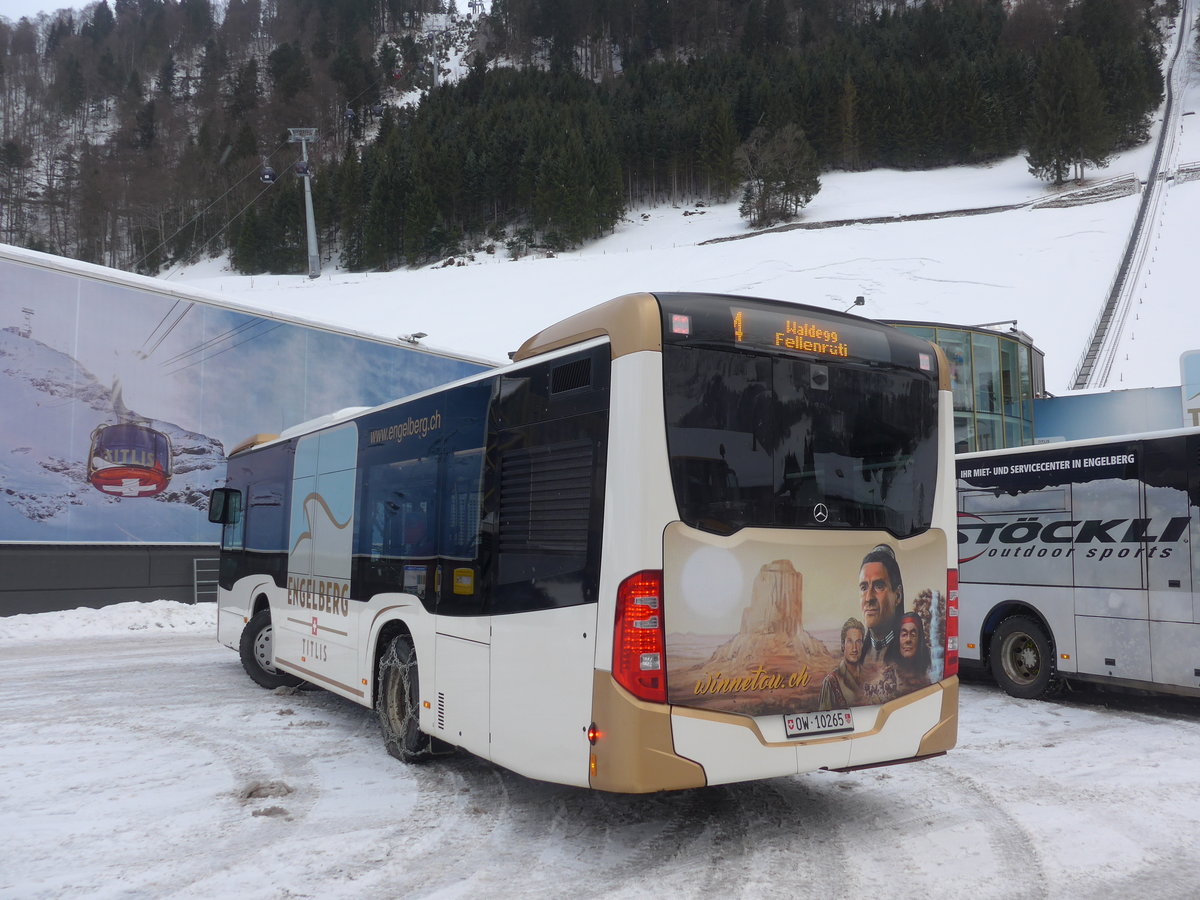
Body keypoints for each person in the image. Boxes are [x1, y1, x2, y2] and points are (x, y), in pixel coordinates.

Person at [858, 544, 904, 664]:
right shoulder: (858, 656)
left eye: (879, 586)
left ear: (898, 596)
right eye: (864, 587)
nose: (868, 598)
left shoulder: (909, 658)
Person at [818, 617, 865, 711]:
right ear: (843, 645)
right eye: (850, 641)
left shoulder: (869, 676)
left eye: (858, 642)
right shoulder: (831, 682)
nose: (854, 648)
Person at [888, 611, 932, 693]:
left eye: (913, 635)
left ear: (919, 640)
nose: (908, 640)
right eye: (904, 634)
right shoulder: (888, 674)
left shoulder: (929, 674)